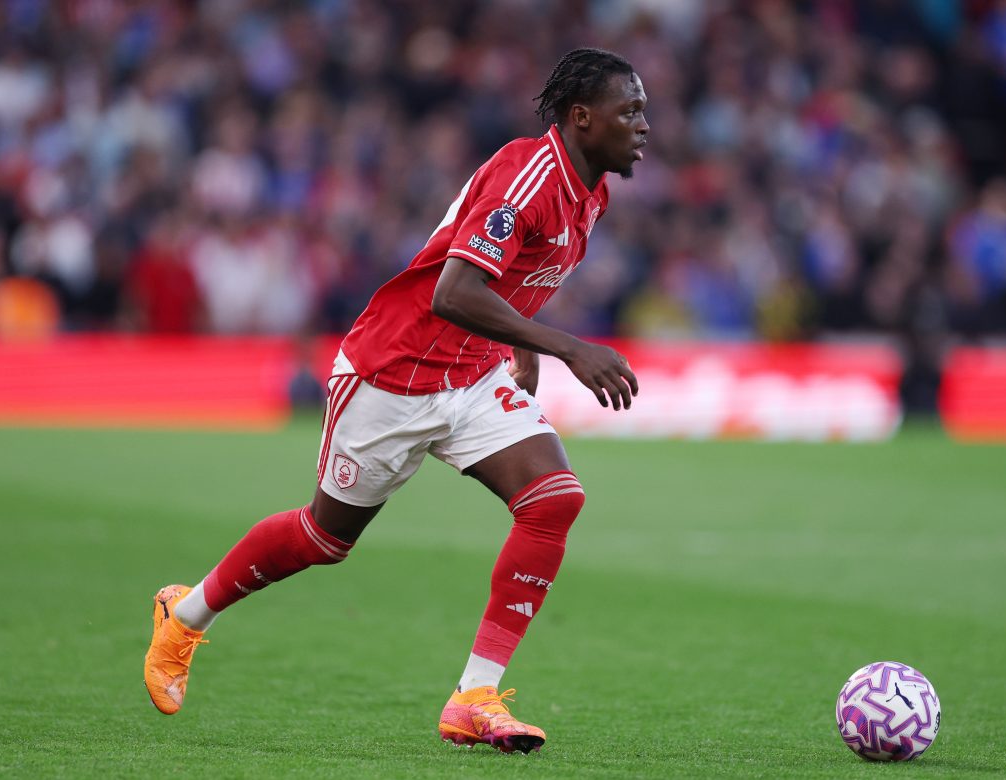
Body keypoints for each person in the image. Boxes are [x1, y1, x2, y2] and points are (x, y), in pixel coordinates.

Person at [144, 48, 649, 754]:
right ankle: (186, 614)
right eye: (630, 111)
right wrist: (566, 346)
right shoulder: (528, 177)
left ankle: (475, 696)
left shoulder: (590, 187)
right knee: (325, 539)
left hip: (470, 376)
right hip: (393, 371)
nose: (644, 125)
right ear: (582, 117)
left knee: (554, 498)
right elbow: (453, 292)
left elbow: (515, 274)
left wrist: (523, 345)